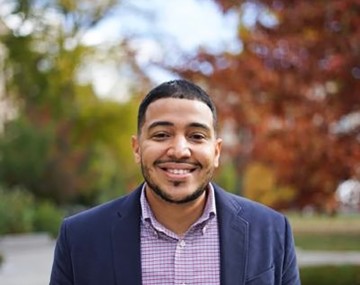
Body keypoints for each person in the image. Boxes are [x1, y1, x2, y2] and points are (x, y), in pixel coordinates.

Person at [50, 79, 301, 285]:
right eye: (161, 135)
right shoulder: (80, 238)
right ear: (137, 148)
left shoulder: (271, 231)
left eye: (196, 136)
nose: (180, 150)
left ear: (216, 151)